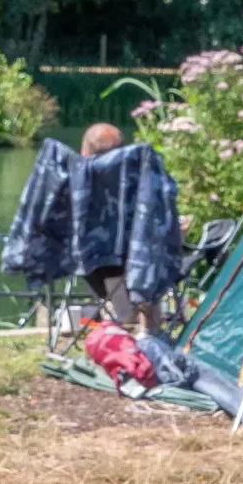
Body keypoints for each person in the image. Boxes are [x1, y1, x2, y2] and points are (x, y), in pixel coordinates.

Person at [77, 123, 160, 332]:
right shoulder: (140, 184)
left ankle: (120, 318)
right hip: (132, 270)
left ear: (85, 153)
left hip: (89, 267)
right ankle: (149, 333)